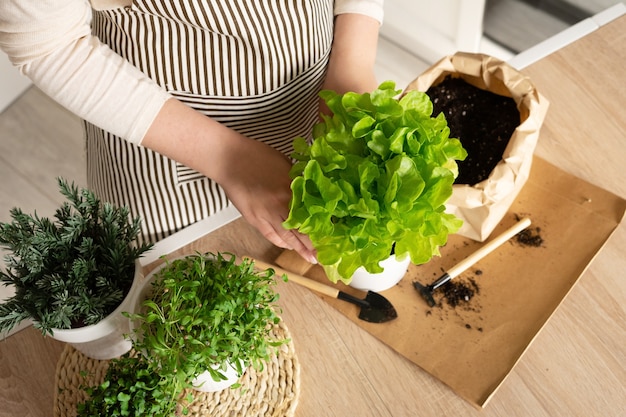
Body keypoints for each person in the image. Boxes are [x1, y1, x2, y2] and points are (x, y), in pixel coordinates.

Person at [0, 1, 383, 264]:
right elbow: (47, 45)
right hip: (170, 151)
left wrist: (352, 62)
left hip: (312, 99)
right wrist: (229, 159)